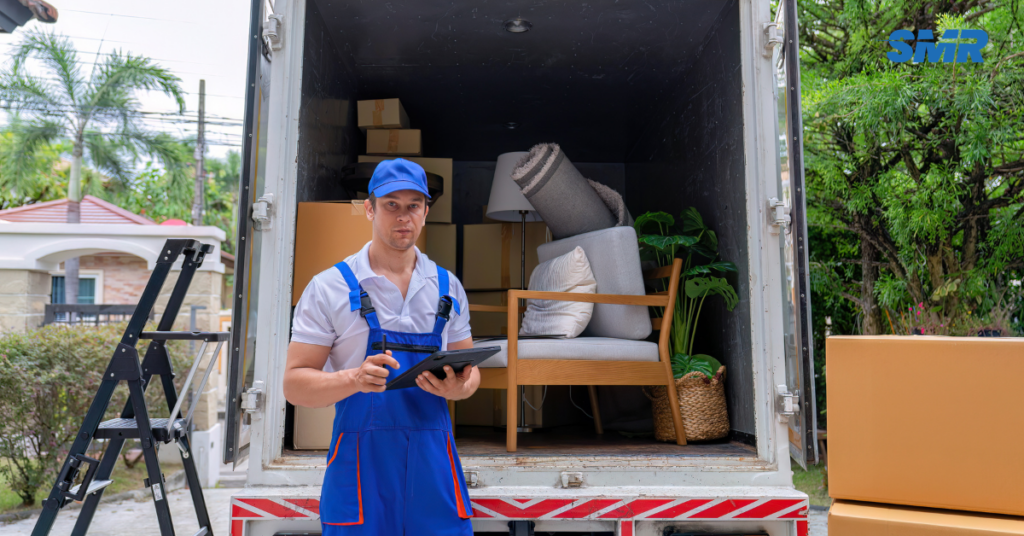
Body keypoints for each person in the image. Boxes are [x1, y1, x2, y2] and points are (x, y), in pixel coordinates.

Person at [284, 158, 479, 535]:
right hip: (361, 469)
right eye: (391, 204)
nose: (402, 216)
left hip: (433, 464)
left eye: (413, 206)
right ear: (369, 208)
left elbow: (471, 374)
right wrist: (354, 378)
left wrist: (461, 387)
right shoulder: (329, 287)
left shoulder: (447, 287)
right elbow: (294, 385)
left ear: (425, 212)